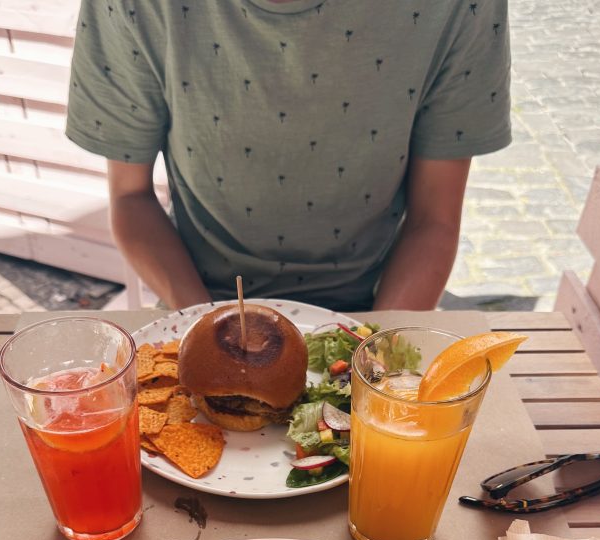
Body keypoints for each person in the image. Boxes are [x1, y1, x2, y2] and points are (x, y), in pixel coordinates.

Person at [66, 1, 511, 312]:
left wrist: (375, 353)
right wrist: (205, 326)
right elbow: (130, 198)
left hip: (375, 306)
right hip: (194, 299)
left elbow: (434, 220)